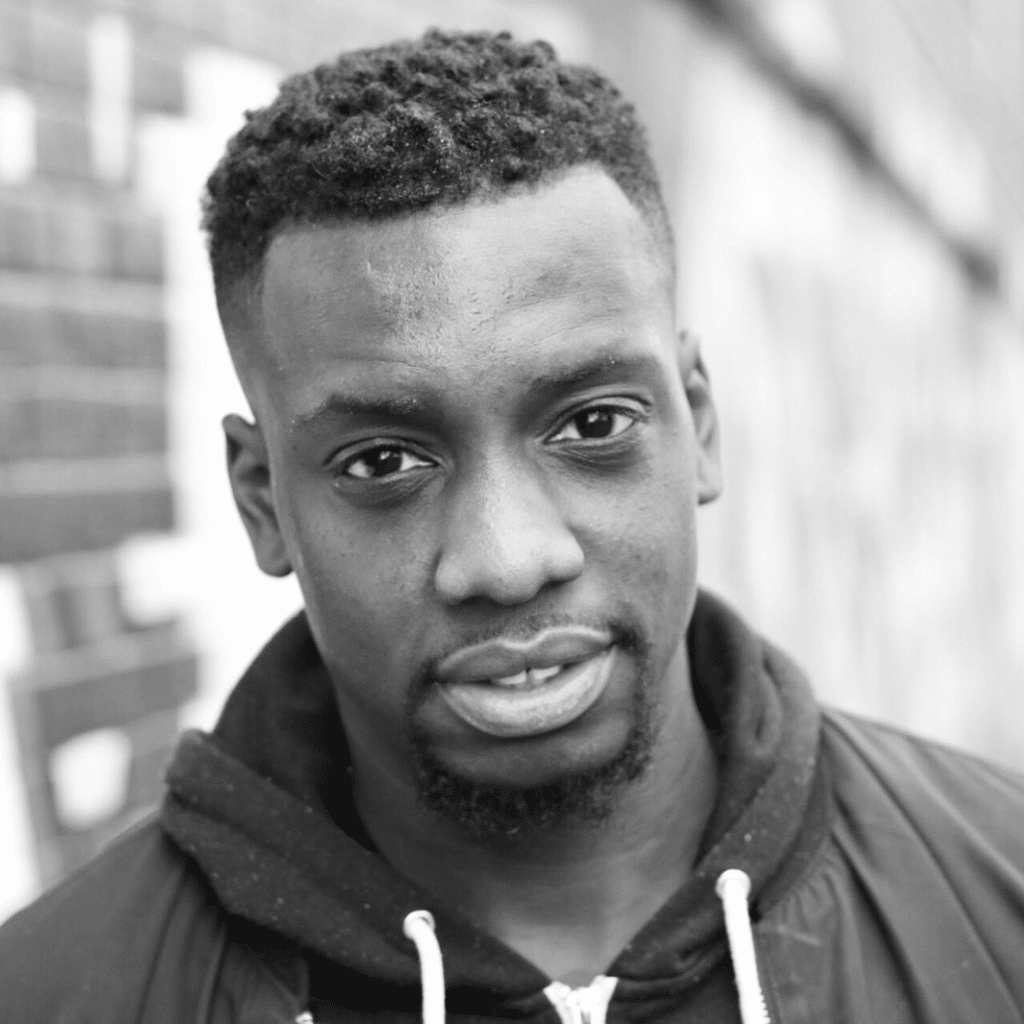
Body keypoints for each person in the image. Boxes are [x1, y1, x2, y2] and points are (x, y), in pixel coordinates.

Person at [2, 28, 1023, 1024]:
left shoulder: (998, 889)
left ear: (697, 422)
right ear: (264, 501)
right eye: (383, 462)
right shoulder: (51, 994)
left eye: (590, 424)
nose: (507, 559)